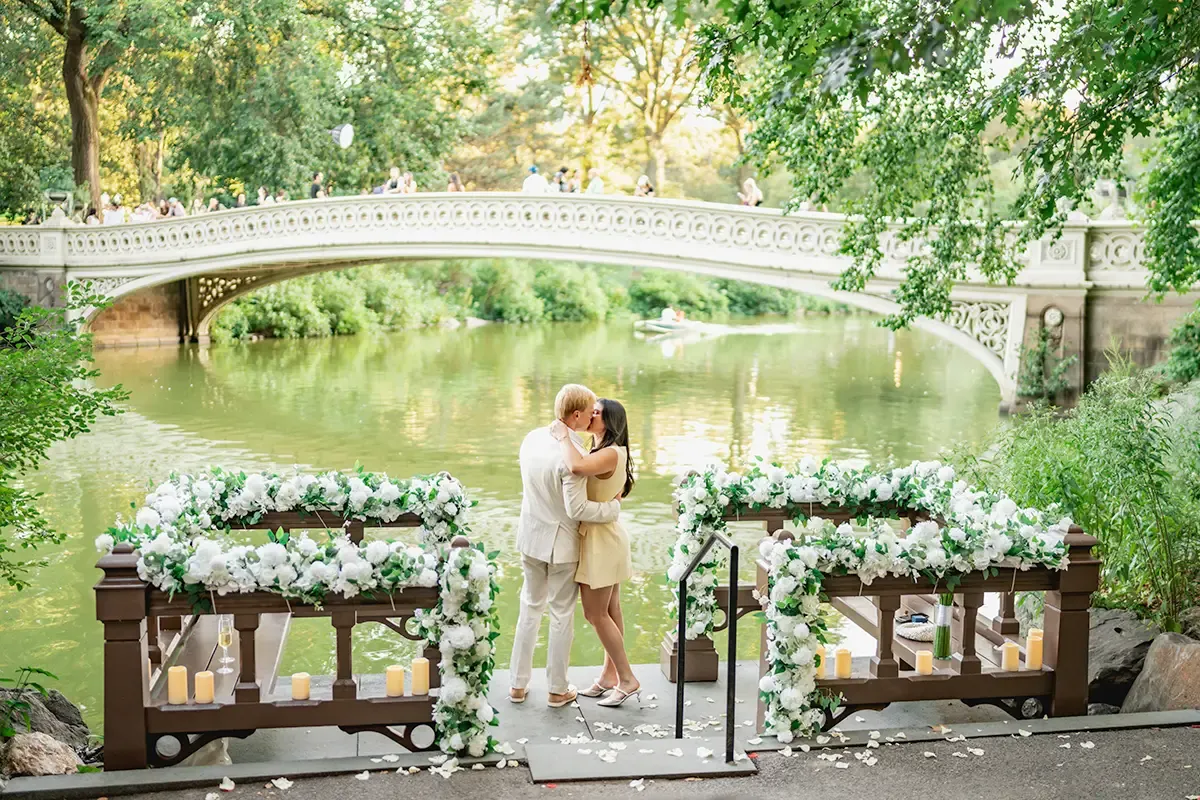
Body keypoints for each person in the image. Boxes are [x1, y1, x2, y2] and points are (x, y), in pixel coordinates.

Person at [510, 384, 621, 708]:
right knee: (560, 614)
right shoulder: (572, 456)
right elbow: (578, 510)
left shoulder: (531, 439)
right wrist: (612, 509)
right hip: (561, 546)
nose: (592, 417)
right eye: (590, 412)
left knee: (529, 607)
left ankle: (518, 685)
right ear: (576, 415)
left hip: (530, 537)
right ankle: (557, 689)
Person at [553, 397, 638, 706]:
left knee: (595, 613)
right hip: (605, 539)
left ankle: (627, 678)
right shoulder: (601, 451)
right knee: (611, 610)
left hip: (602, 543)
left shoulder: (611, 453)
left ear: (610, 421)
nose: (591, 415)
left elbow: (575, 467)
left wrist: (564, 435)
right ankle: (608, 676)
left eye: (598, 413)